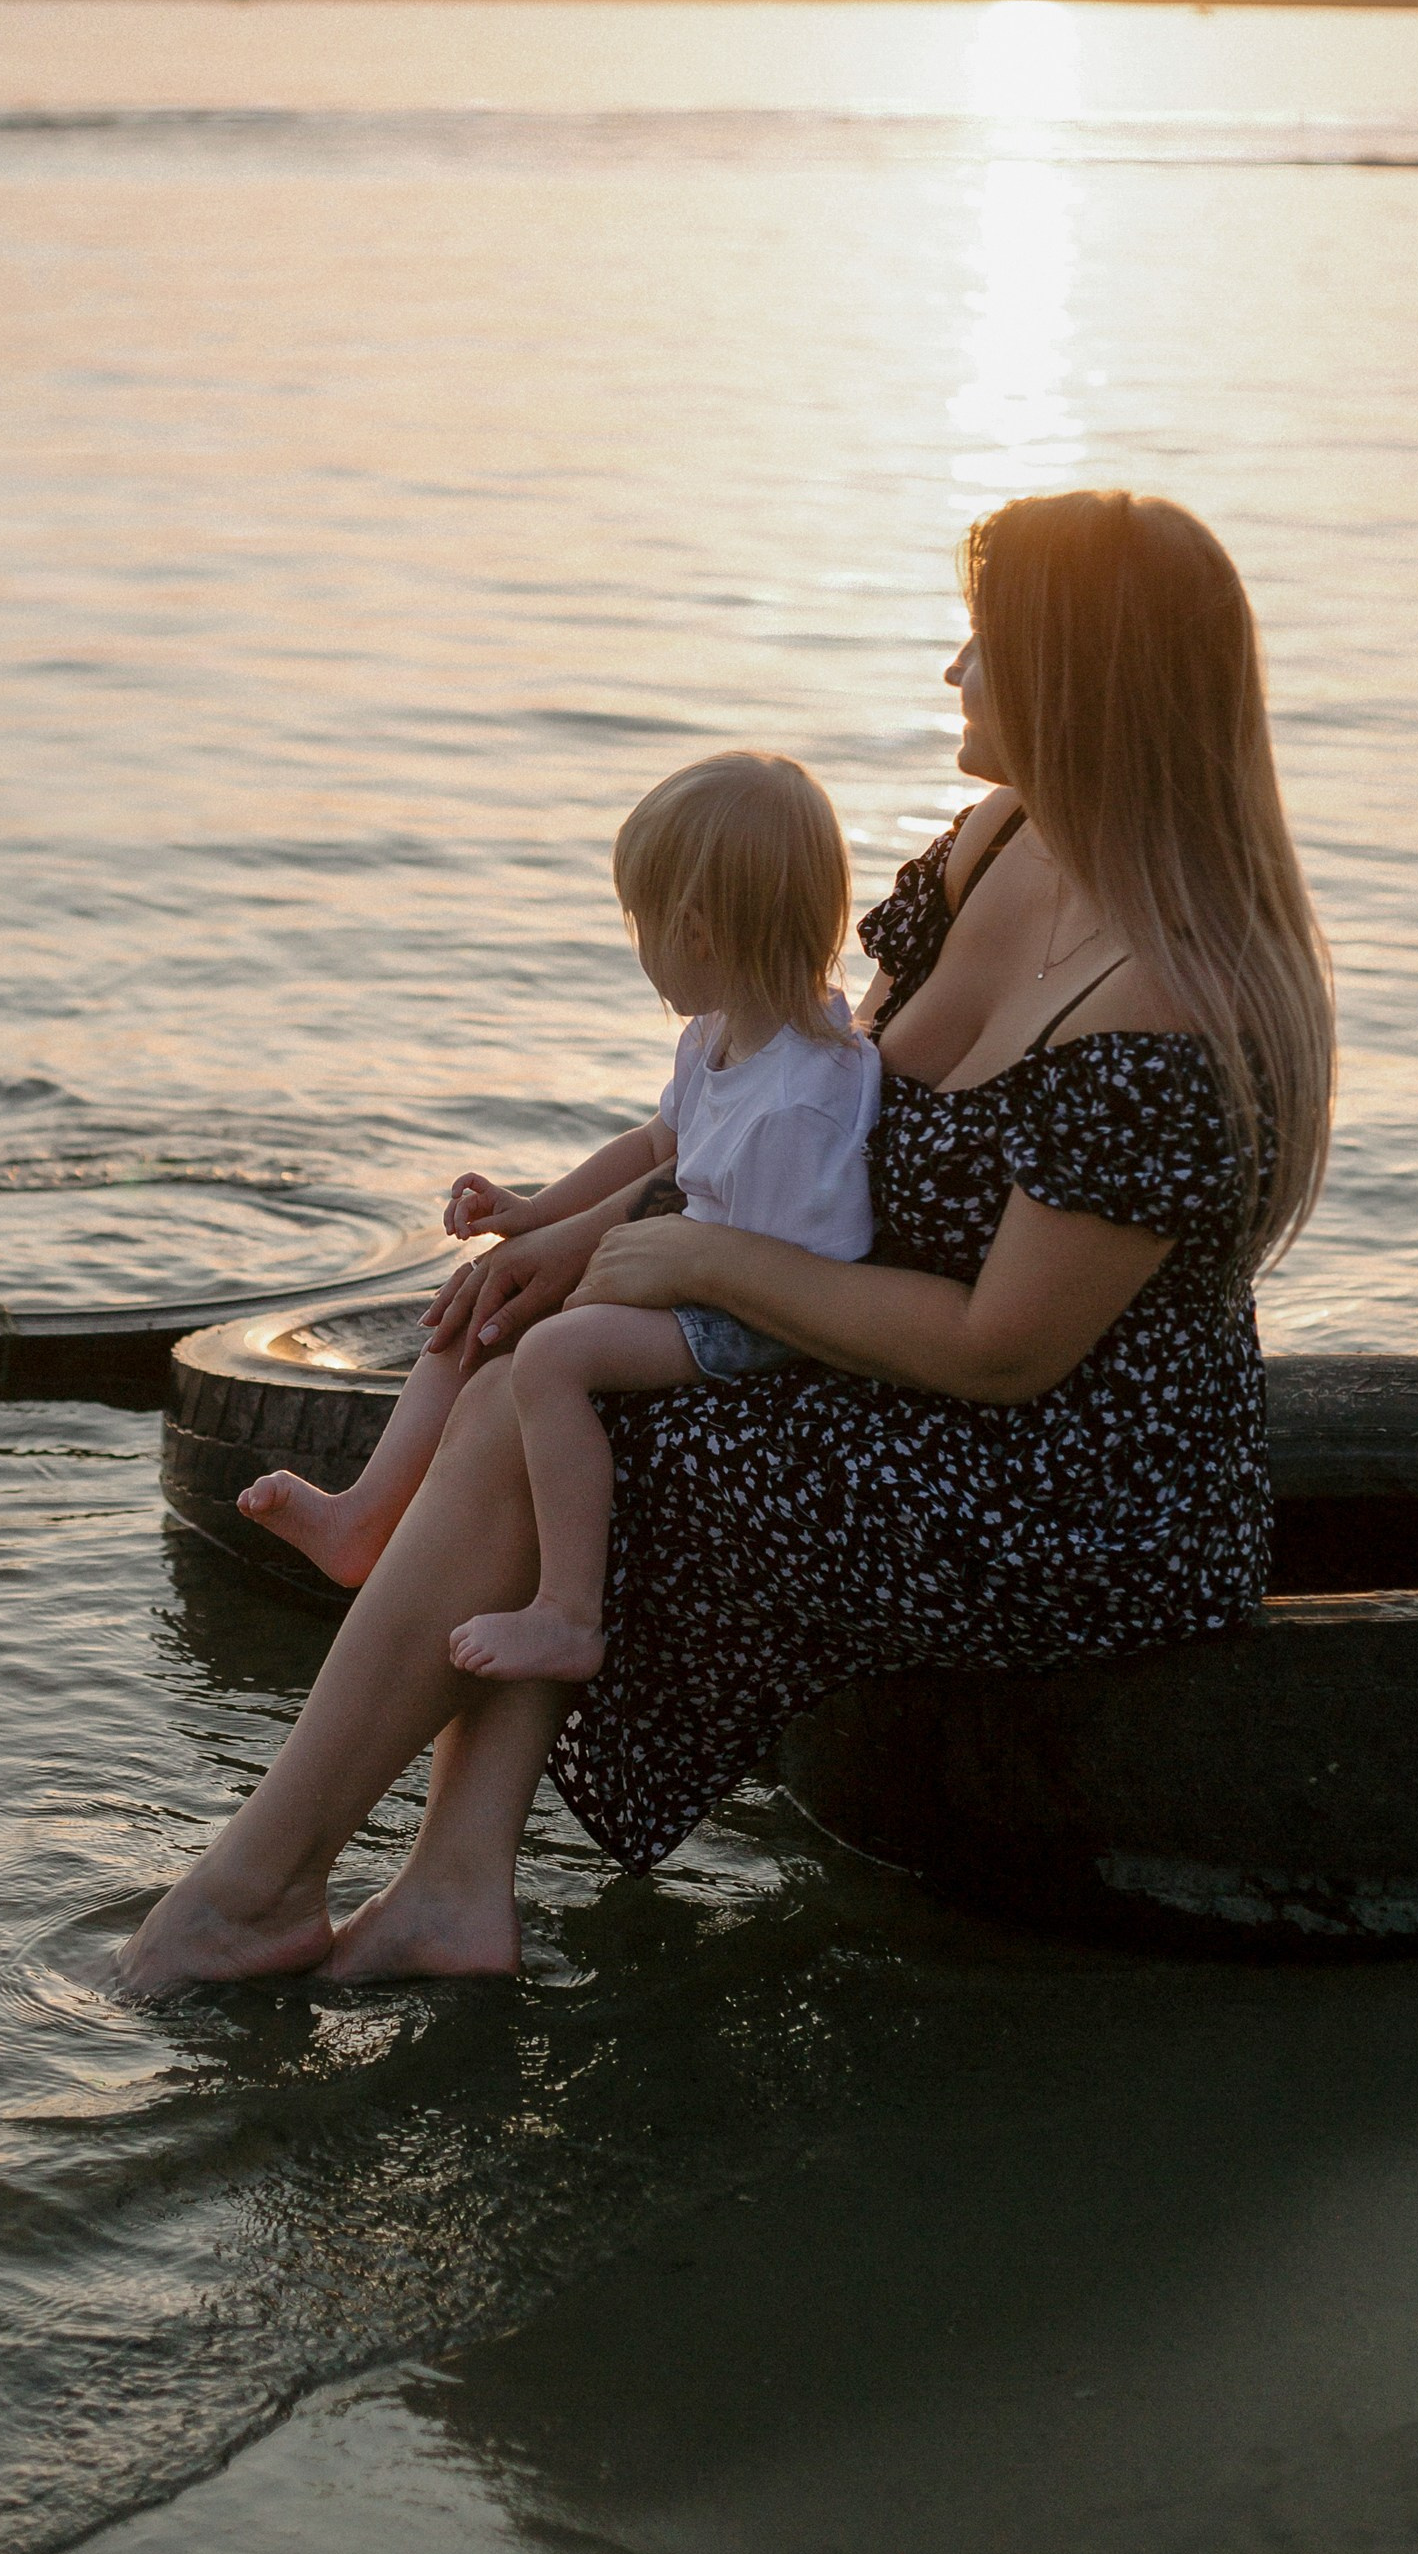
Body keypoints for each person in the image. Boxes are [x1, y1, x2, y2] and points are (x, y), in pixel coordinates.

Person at [122, 489, 1335, 1995]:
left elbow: (1004, 1353)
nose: (953, 672)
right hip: (880, 1364)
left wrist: (694, 1263)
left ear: (1078, 681)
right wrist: (592, 1227)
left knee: (574, 1414)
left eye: (985, 644)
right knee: (522, 1360)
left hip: (1074, 1489)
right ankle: (439, 1884)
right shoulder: (997, 839)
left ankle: (261, 1889)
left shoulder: (1169, 996)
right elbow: (809, 1107)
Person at [233, 753, 881, 1685]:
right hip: (692, 1267)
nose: (640, 949)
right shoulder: (721, 1037)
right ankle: (364, 1517)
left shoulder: (800, 1096)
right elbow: (653, 1149)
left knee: (551, 1355)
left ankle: (570, 1615)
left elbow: (777, 1277)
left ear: (695, 931)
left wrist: (626, 1279)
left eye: (642, 925)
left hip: (760, 1322)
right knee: (481, 1304)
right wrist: (536, 1216)